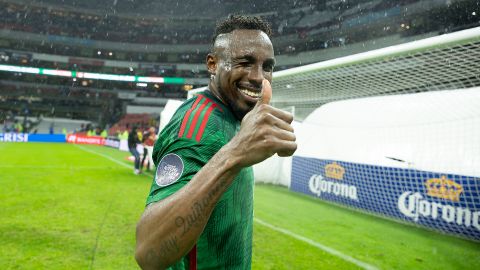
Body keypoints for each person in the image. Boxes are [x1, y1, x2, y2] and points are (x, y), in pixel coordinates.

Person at [135, 15, 296, 270]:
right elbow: (149, 252)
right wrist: (235, 153)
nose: (258, 77)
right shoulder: (195, 127)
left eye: (267, 67)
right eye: (245, 62)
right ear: (212, 63)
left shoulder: (235, 117)